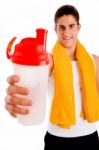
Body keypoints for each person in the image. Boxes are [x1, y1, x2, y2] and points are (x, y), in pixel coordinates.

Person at [5, 4, 99, 150]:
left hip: (90, 137)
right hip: (57, 139)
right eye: (61, 27)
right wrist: (17, 100)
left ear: (78, 28)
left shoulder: (94, 61)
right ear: (55, 29)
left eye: (71, 26)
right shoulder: (48, 60)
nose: (66, 32)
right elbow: (30, 88)